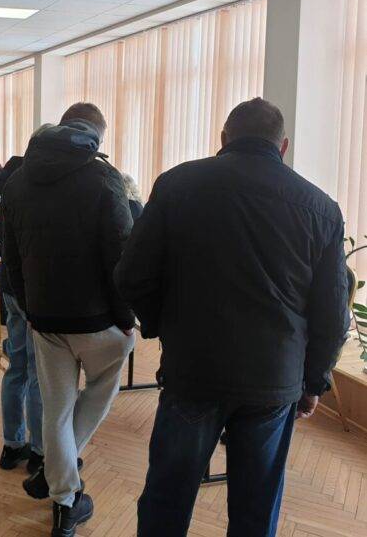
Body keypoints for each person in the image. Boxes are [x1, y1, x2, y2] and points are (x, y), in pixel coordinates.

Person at [114, 97, 350, 537]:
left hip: (193, 370)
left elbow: (132, 276)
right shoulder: (321, 208)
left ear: (223, 138)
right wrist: (313, 382)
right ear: (283, 146)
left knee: (167, 497)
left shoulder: (177, 185)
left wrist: (165, 327)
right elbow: (332, 314)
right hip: (274, 379)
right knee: (256, 508)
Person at [1, 103, 135, 537]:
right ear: (96, 135)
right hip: (98, 321)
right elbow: (121, 253)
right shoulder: (104, 178)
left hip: (45, 320)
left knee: (56, 412)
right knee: (100, 387)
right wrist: (126, 317)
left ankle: (62, 497)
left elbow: (10, 256)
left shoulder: (19, 179)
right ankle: (60, 483)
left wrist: (29, 307)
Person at [0, 154, 44, 474]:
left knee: (17, 369)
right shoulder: (36, 197)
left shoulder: (10, 195)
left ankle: (12, 445)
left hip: (11, 290)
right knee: (38, 374)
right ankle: (39, 450)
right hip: (32, 295)